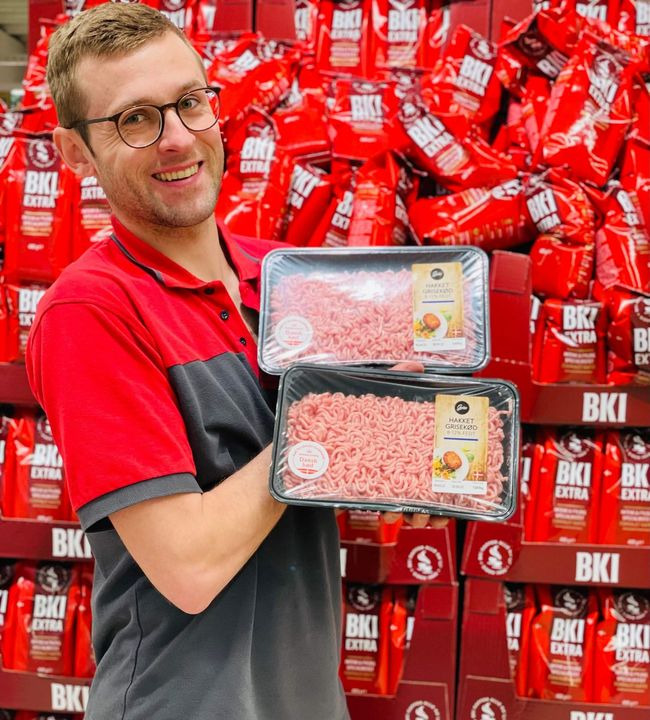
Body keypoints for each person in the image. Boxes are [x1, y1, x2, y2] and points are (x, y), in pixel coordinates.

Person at [26, 4, 437, 719]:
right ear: (74, 152)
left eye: (190, 102)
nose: (177, 138)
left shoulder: (284, 275)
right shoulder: (90, 311)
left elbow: (344, 477)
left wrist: (409, 448)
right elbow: (188, 566)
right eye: (135, 119)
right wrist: (333, 420)